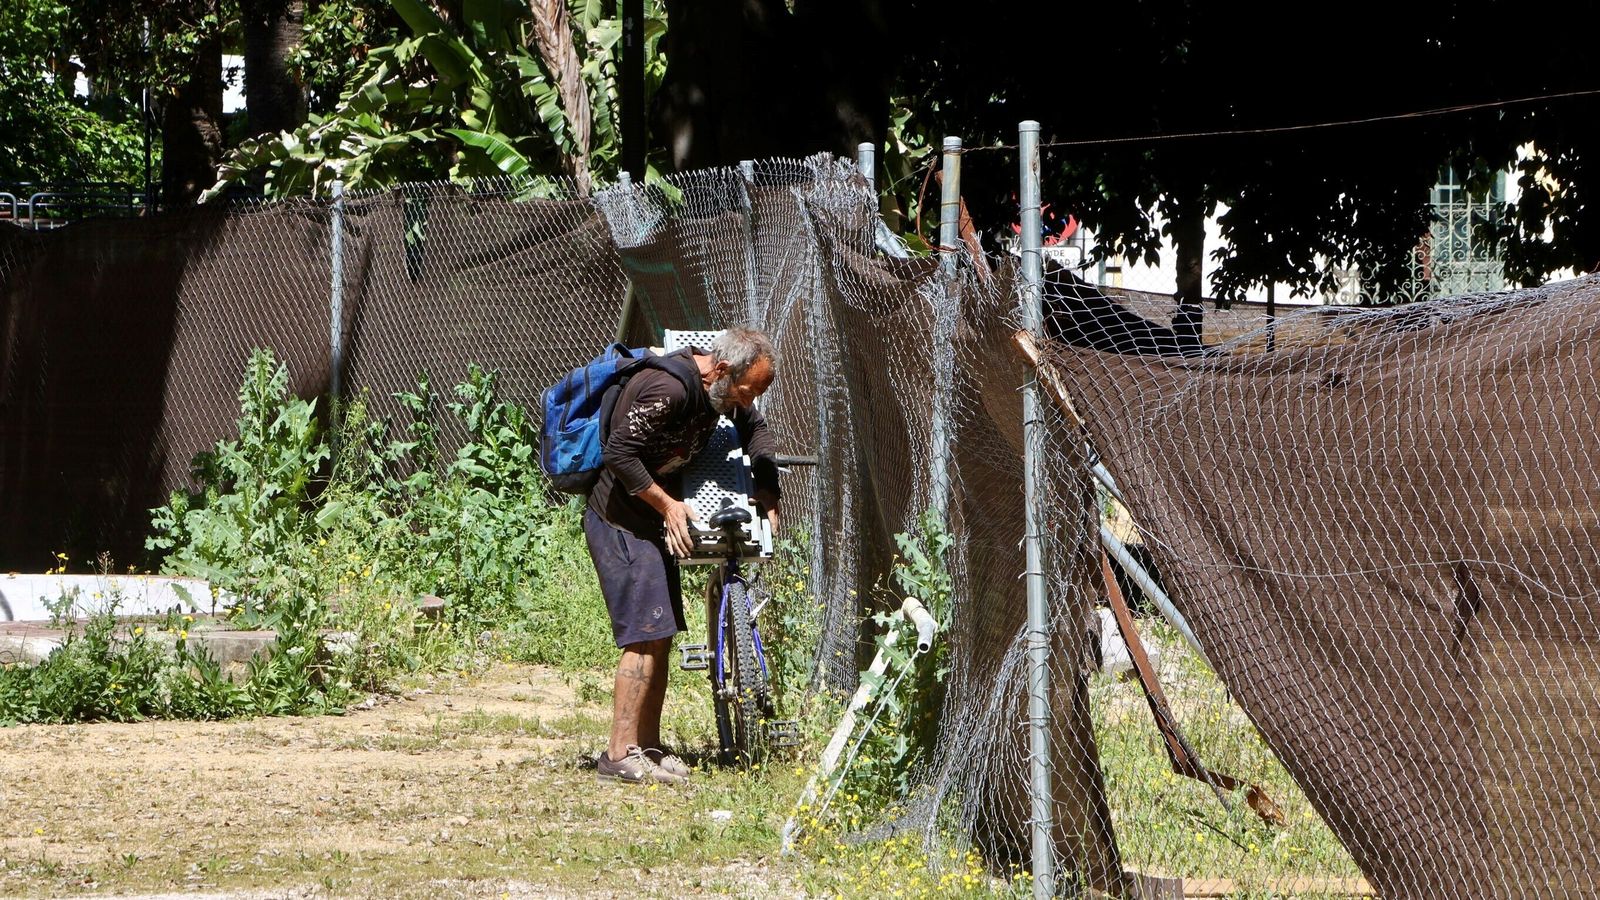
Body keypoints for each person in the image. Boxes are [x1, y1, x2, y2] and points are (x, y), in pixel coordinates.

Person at [585, 327, 782, 784]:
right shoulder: (669, 388)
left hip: (649, 523)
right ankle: (618, 754)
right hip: (619, 521)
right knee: (643, 633)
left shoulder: (725, 395)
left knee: (661, 632)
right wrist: (669, 504)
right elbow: (620, 453)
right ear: (723, 371)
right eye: (747, 391)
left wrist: (767, 488)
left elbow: (756, 429)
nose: (748, 404)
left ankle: (648, 750)